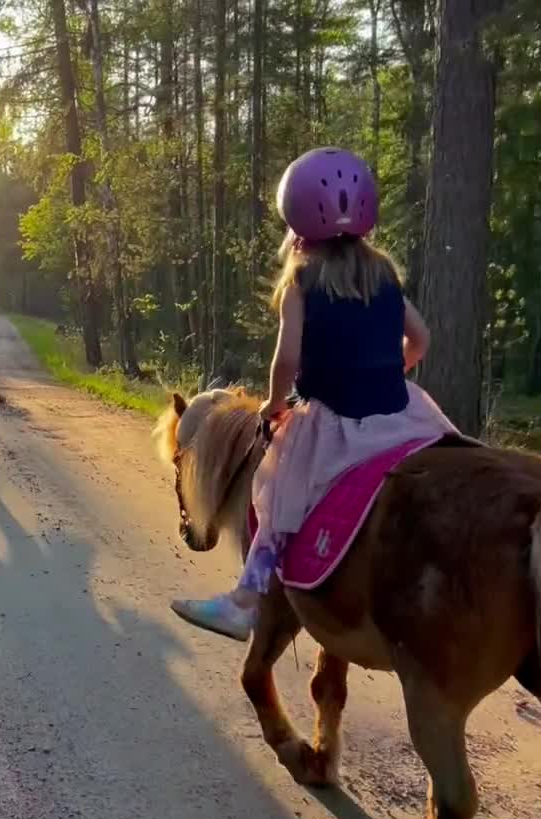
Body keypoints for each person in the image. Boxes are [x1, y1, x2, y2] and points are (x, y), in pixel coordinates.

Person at [170, 146, 463, 642]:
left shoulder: (301, 283)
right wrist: (394, 369)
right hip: (399, 412)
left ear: (297, 221)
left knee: (276, 499)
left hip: (332, 419)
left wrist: (274, 403)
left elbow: (286, 360)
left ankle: (245, 601)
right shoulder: (384, 274)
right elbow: (422, 339)